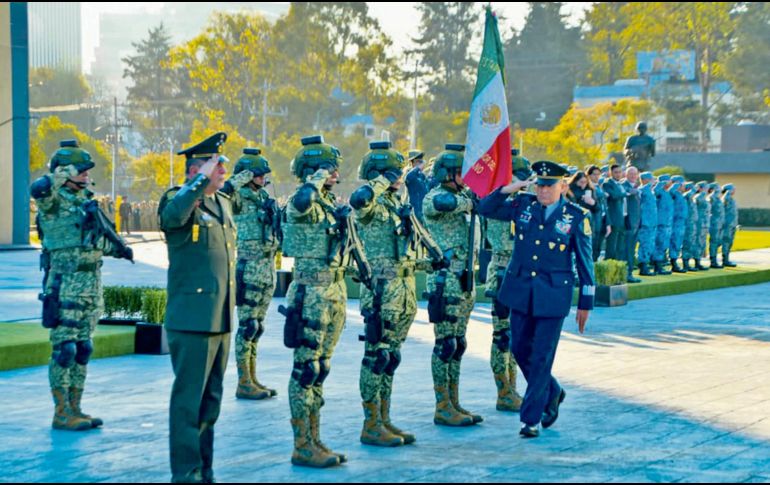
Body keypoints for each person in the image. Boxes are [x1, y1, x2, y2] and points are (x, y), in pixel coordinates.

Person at [478, 161, 594, 439]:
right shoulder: (523, 206)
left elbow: (585, 261)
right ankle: (552, 391)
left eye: (549, 185)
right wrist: (510, 188)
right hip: (520, 291)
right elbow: (484, 208)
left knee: (542, 356)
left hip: (552, 295)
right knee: (518, 348)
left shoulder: (576, 217)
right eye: (539, 185)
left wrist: (585, 303)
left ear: (562, 186)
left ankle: (530, 419)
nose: (543, 191)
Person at [31, 139, 133, 432]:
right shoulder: (51, 201)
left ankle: (76, 407)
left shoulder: (86, 202)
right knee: (65, 349)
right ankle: (61, 411)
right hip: (65, 284)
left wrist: (120, 249)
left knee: (83, 347)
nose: (88, 176)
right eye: (82, 170)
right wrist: (61, 172)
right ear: (65, 172)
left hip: (90, 284)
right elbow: (38, 188)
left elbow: (97, 239)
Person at [159, 132, 235, 484]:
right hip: (191, 320)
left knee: (211, 402)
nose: (223, 171)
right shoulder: (177, 199)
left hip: (219, 318)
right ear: (197, 169)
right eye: (216, 166)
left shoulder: (221, 203)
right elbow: (174, 217)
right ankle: (185, 472)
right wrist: (200, 180)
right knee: (188, 402)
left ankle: (204, 469)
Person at [281, 135, 358, 468]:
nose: (335, 175)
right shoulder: (302, 200)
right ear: (313, 171)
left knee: (321, 368)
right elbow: (299, 204)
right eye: (329, 170)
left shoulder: (326, 203)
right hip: (310, 294)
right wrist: (313, 178)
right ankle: (302, 444)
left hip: (333, 293)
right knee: (306, 369)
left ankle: (315, 437)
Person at [423, 144, 482, 427]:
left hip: (464, 280)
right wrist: (470, 201)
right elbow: (440, 205)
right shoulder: (436, 196)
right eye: (461, 173)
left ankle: (454, 401)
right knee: (445, 344)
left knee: (458, 344)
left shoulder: (463, 196)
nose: (465, 179)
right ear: (447, 174)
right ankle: (442, 405)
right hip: (445, 281)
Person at [221, 148, 280, 400]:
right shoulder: (238, 197)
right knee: (248, 325)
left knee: (258, 327)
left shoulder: (263, 196)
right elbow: (222, 194)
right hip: (248, 268)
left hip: (266, 267)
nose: (264, 178)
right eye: (259, 174)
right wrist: (239, 179)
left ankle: (253, 378)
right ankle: (243, 381)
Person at [483, 150, 531, 413]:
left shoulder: (520, 203)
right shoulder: (501, 203)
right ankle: (504, 391)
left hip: (519, 272)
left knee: (515, 335)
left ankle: (512, 387)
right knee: (502, 336)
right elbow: (486, 207)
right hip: (502, 271)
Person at [602, 164, 628, 261]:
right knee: (611, 246)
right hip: (613, 219)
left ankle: (618, 270)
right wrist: (625, 193)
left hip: (622, 218)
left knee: (619, 247)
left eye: (619, 172)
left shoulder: (620, 184)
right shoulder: (607, 184)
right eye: (615, 172)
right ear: (611, 173)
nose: (618, 174)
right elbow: (613, 196)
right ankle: (609, 267)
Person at [586, 165, 610, 261]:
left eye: (598, 174)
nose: (596, 177)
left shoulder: (598, 186)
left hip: (602, 218)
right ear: (589, 175)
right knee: (593, 243)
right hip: (594, 218)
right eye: (594, 174)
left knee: (598, 246)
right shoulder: (588, 188)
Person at [622, 167, 642, 283]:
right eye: (631, 174)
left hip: (636, 223)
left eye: (635, 174)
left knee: (631, 249)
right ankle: (627, 274)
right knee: (627, 250)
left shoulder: (636, 187)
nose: (633, 176)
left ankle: (629, 272)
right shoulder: (624, 186)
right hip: (628, 223)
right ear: (626, 174)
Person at [636, 172, 658, 276]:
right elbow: (641, 190)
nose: (653, 181)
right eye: (651, 179)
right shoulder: (642, 190)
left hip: (652, 222)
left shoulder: (650, 191)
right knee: (644, 245)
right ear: (645, 180)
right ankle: (643, 266)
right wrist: (650, 184)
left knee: (649, 245)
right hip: (645, 223)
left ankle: (646, 264)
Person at [653, 174, 673, 275]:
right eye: (668, 181)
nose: (670, 183)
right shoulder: (659, 192)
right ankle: (658, 266)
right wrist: (660, 184)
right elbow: (655, 192)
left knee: (664, 245)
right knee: (659, 245)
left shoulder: (667, 193)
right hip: (660, 224)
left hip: (667, 223)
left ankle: (661, 264)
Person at [668, 176, 688, 273]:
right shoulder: (673, 193)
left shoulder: (680, 194)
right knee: (674, 242)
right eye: (682, 184)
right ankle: (673, 263)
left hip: (681, 222)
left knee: (678, 243)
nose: (684, 186)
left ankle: (675, 261)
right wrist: (675, 185)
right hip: (675, 222)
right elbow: (671, 191)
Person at [404, 149, 429, 222]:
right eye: (418, 161)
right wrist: (418, 168)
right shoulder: (409, 173)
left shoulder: (421, 175)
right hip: (413, 210)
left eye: (421, 161)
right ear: (412, 162)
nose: (420, 163)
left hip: (422, 209)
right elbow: (409, 178)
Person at [681, 182, 700, 272]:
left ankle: (688, 263)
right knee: (687, 244)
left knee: (691, 243)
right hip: (688, 224)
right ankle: (685, 264)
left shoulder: (692, 199)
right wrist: (694, 189)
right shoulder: (686, 197)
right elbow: (689, 194)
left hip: (692, 224)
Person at [694, 181, 712, 271]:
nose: (707, 189)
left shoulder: (705, 198)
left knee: (702, 243)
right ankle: (696, 262)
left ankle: (699, 260)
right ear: (700, 188)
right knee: (698, 242)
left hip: (705, 223)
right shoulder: (698, 197)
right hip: (699, 223)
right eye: (705, 187)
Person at [708, 182, 725, 268]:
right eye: (717, 189)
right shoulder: (711, 198)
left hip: (720, 223)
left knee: (719, 241)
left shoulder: (718, 199)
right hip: (714, 223)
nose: (719, 191)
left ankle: (714, 258)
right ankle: (713, 260)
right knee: (714, 242)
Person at [721, 184, 738, 267]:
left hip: (732, 224)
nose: (734, 190)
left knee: (730, 242)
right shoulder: (726, 198)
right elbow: (724, 199)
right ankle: (725, 260)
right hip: (727, 224)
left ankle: (727, 258)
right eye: (733, 189)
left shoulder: (732, 199)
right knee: (726, 241)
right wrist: (727, 192)